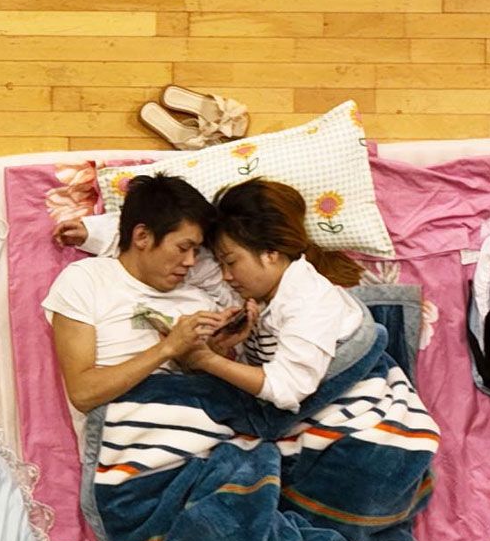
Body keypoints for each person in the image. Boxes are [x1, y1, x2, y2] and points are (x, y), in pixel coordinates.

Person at [41, 173, 237, 412]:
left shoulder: (201, 301)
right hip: (130, 436)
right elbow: (83, 394)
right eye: (183, 248)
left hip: (213, 431)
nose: (191, 262)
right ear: (142, 236)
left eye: (197, 251)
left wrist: (218, 350)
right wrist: (168, 348)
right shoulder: (85, 280)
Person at [178, 181, 376, 416]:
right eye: (221, 265)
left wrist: (206, 360)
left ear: (271, 253)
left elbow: (289, 387)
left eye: (230, 262)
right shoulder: (263, 299)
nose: (225, 276)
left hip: (358, 416)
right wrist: (225, 348)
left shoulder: (308, 298)